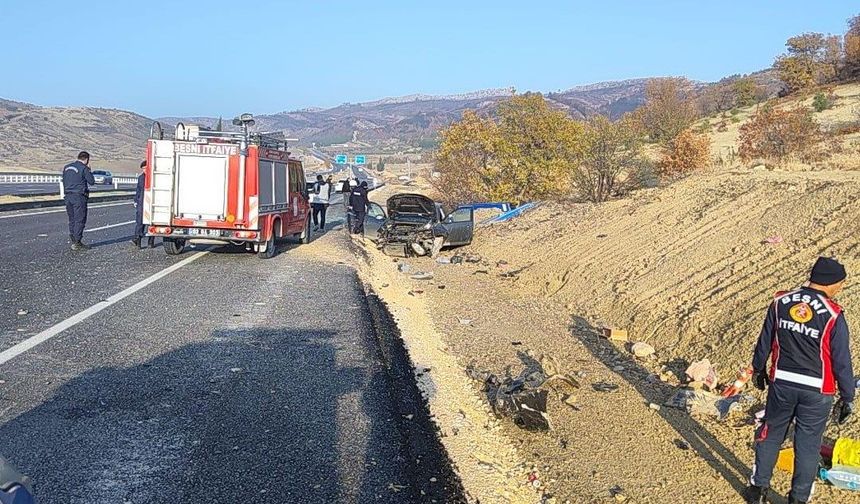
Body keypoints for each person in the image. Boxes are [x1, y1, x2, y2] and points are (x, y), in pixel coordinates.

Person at [745, 257, 855, 504]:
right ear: (832, 283)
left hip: (782, 382)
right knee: (807, 444)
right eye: (841, 284)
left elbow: (764, 341)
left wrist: (758, 369)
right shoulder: (834, 315)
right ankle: (798, 498)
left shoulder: (780, 302)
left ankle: (757, 489)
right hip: (817, 390)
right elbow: (841, 361)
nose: (841, 288)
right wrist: (848, 397)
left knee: (771, 433)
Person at [62, 151, 95, 250]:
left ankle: (73, 238)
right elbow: (91, 181)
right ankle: (77, 242)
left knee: (72, 219)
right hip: (79, 196)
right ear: (87, 159)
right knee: (80, 219)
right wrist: (89, 170)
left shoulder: (67, 167)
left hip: (68, 196)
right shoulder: (83, 168)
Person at [132, 161, 154, 249]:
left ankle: (151, 241)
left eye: (145, 168)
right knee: (140, 222)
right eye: (143, 168)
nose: (144, 170)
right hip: (141, 202)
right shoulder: (141, 178)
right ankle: (138, 240)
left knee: (151, 223)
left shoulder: (153, 177)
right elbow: (138, 190)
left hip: (151, 202)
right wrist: (136, 200)